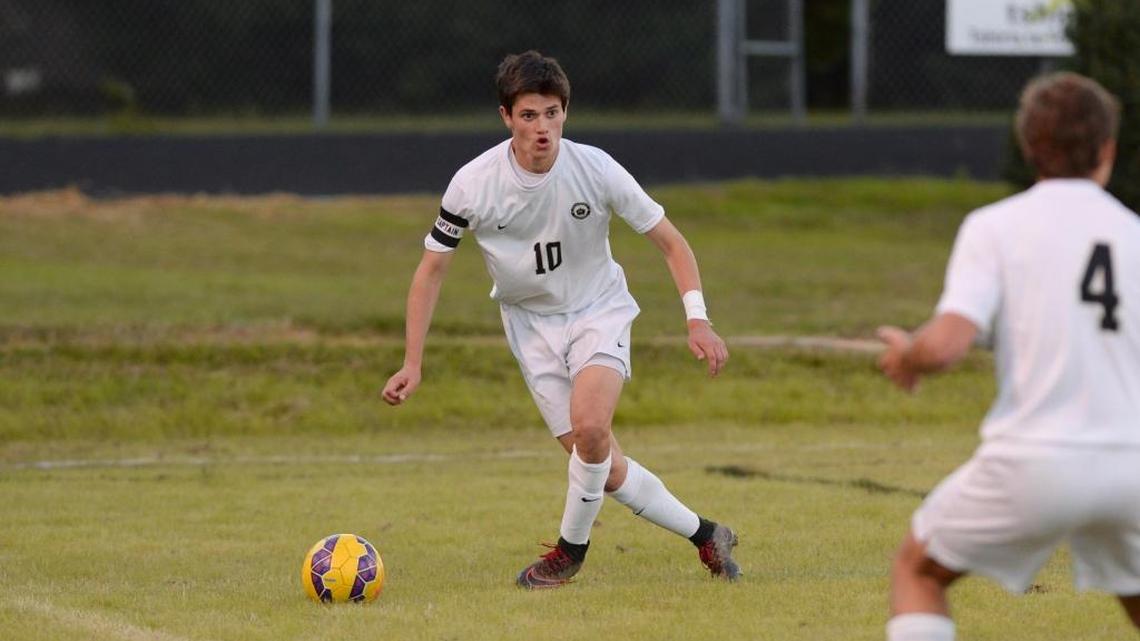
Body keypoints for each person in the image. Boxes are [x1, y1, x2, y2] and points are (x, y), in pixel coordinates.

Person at [381, 50, 741, 589]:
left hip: (598, 309)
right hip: (530, 327)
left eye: (552, 113)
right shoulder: (471, 185)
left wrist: (697, 319)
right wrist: (413, 360)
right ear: (506, 117)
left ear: (565, 112)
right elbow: (431, 271)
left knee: (593, 428)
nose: (542, 128)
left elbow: (671, 243)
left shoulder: (595, 168)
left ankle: (569, 554)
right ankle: (708, 534)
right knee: (601, 465)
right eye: (529, 115)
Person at [877, 71, 1140, 640]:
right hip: (1131, 464)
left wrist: (908, 357)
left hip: (1036, 460)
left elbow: (947, 344)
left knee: (918, 570)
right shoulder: (1133, 233)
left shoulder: (994, 227)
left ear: (1029, 148)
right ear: (1108, 149)